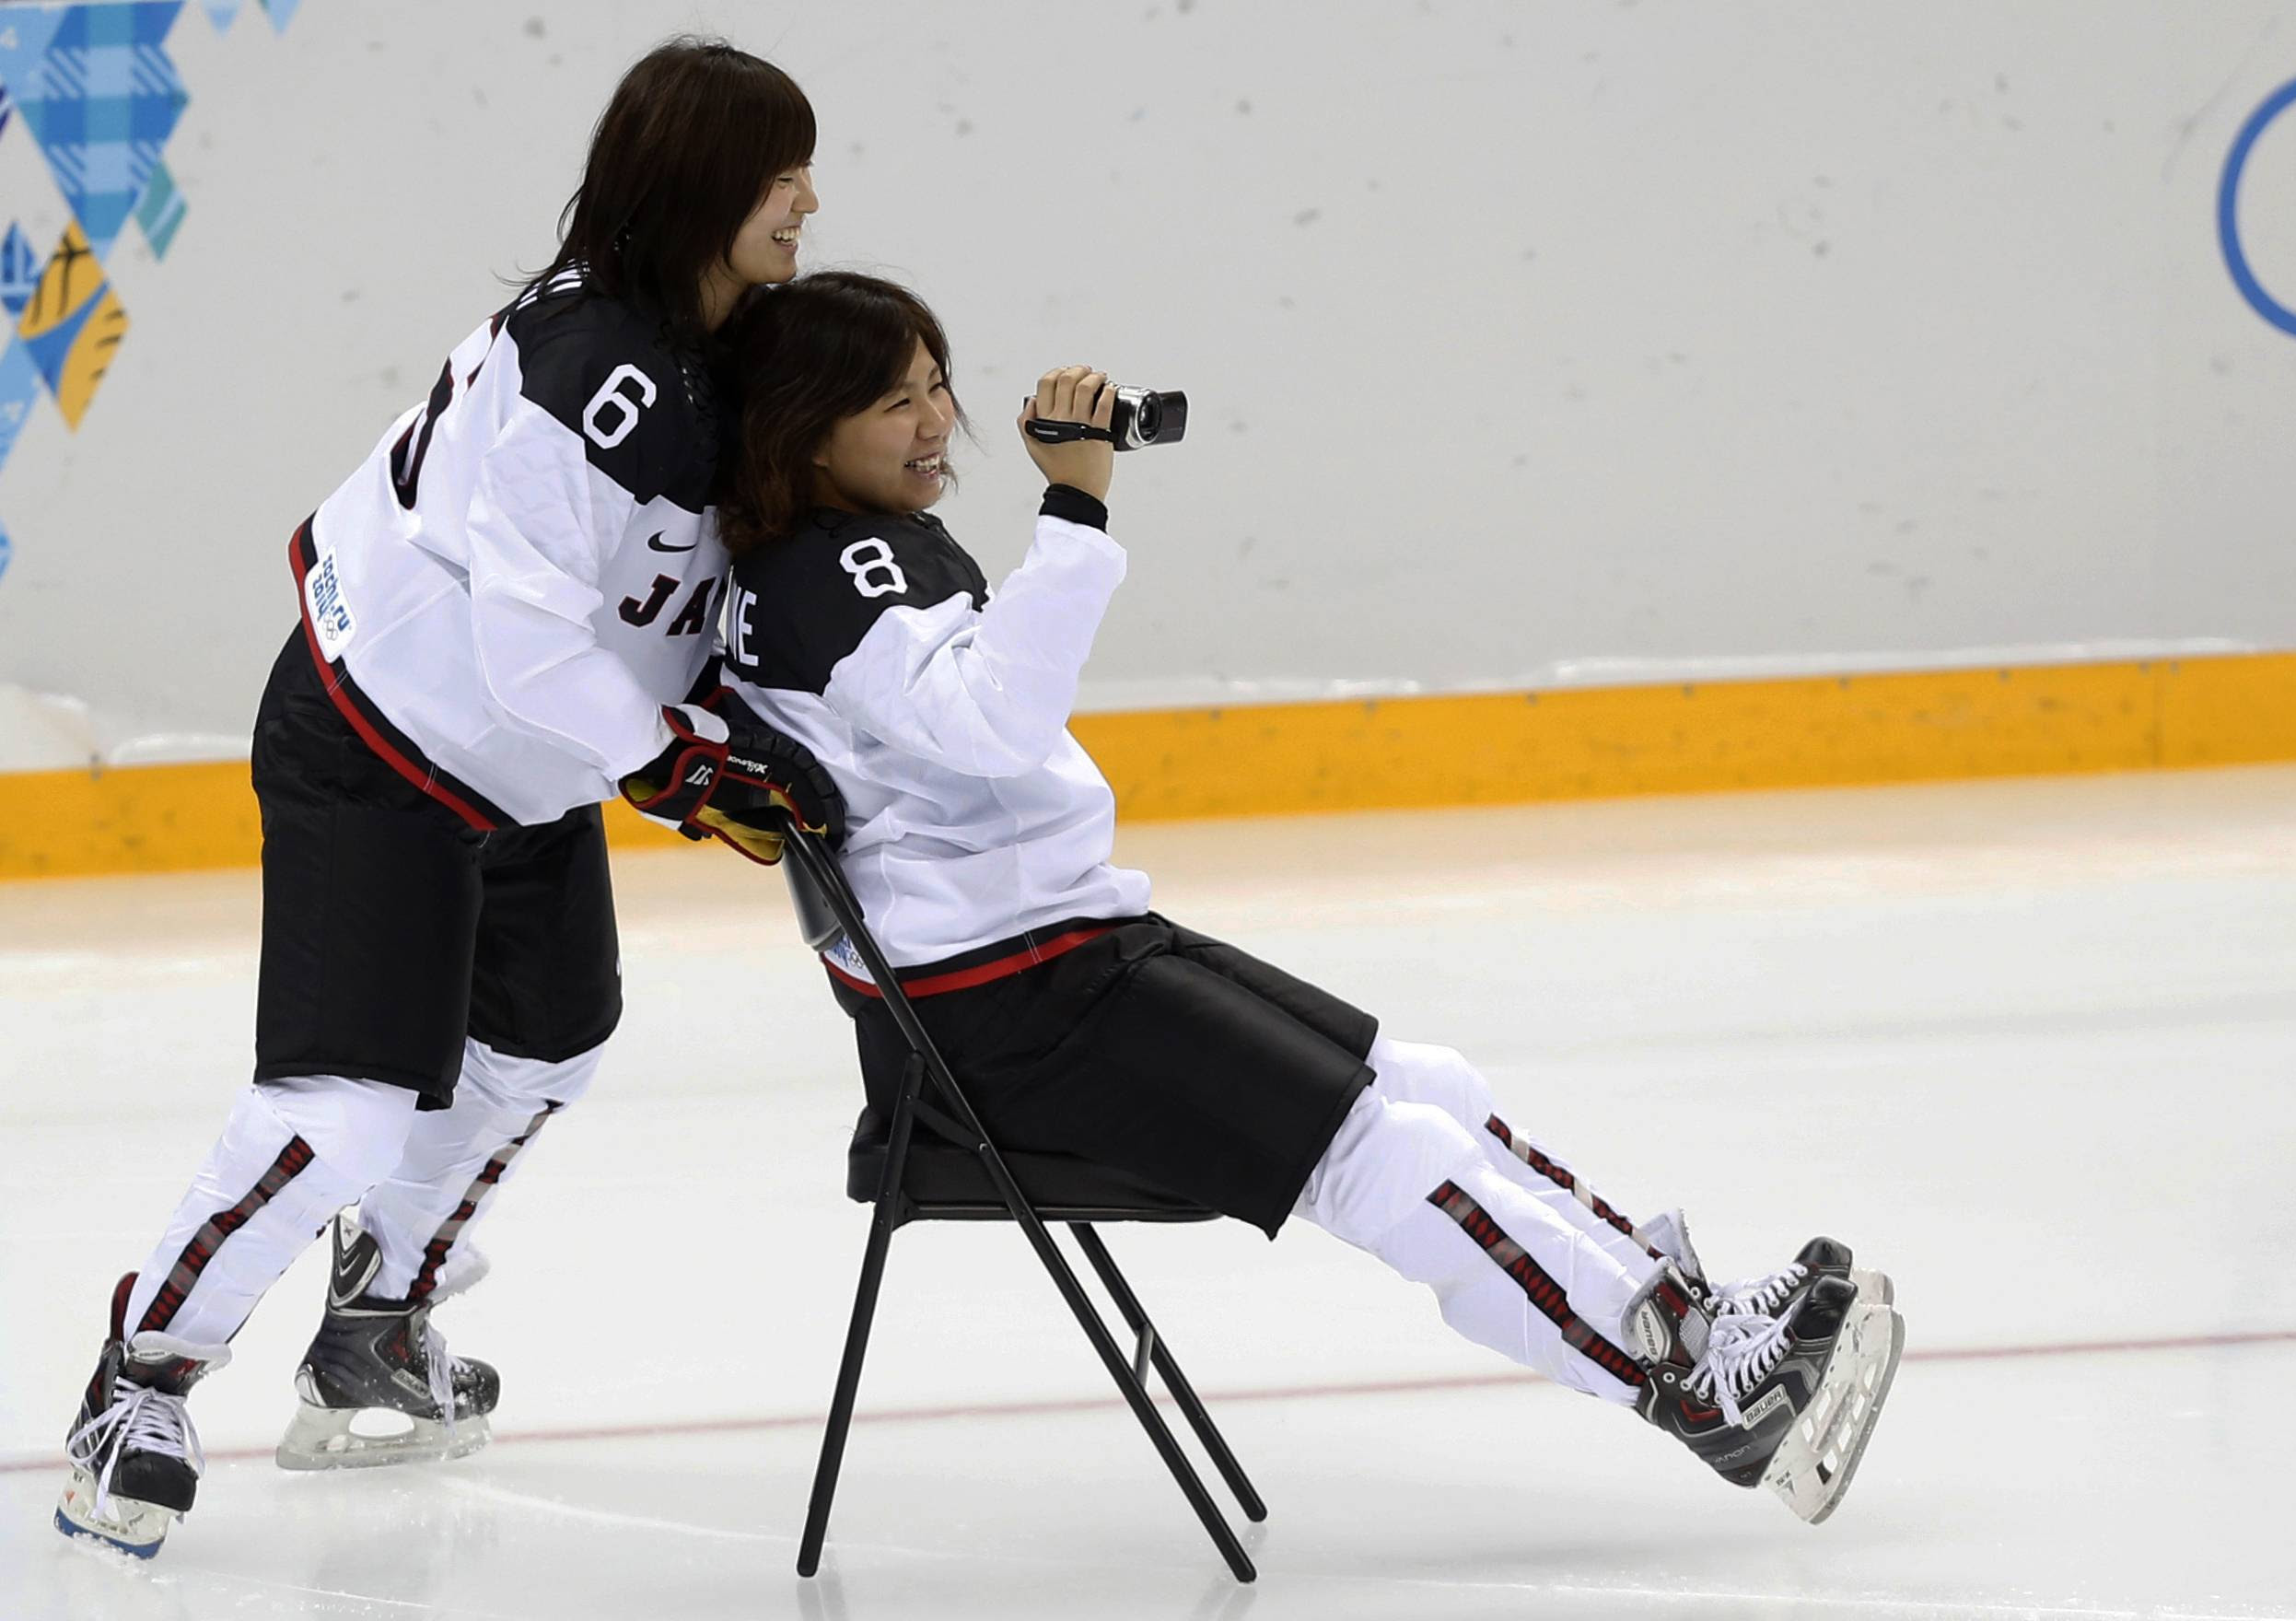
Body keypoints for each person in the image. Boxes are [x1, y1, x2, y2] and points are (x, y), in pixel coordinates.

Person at [710, 273, 1906, 1524]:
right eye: (893, 401)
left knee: (1428, 1085)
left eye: (935, 383)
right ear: (802, 431)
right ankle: (1695, 1393)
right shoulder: (832, 574)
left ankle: (1685, 1314)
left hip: (1056, 956)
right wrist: (1074, 501)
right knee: (1393, 1156)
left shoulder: (835, 553)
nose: (935, 421)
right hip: (1008, 1011)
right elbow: (1000, 726)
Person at [55, 41, 841, 1558]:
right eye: (778, 169)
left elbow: (666, 602)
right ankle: (139, 1376)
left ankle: (375, 1318)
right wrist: (678, 764)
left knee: (549, 1043)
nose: (809, 197)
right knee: (343, 1115)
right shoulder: (590, 374)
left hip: (524, 760)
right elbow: (533, 640)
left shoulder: (709, 336)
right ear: (693, 189)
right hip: (384, 740)